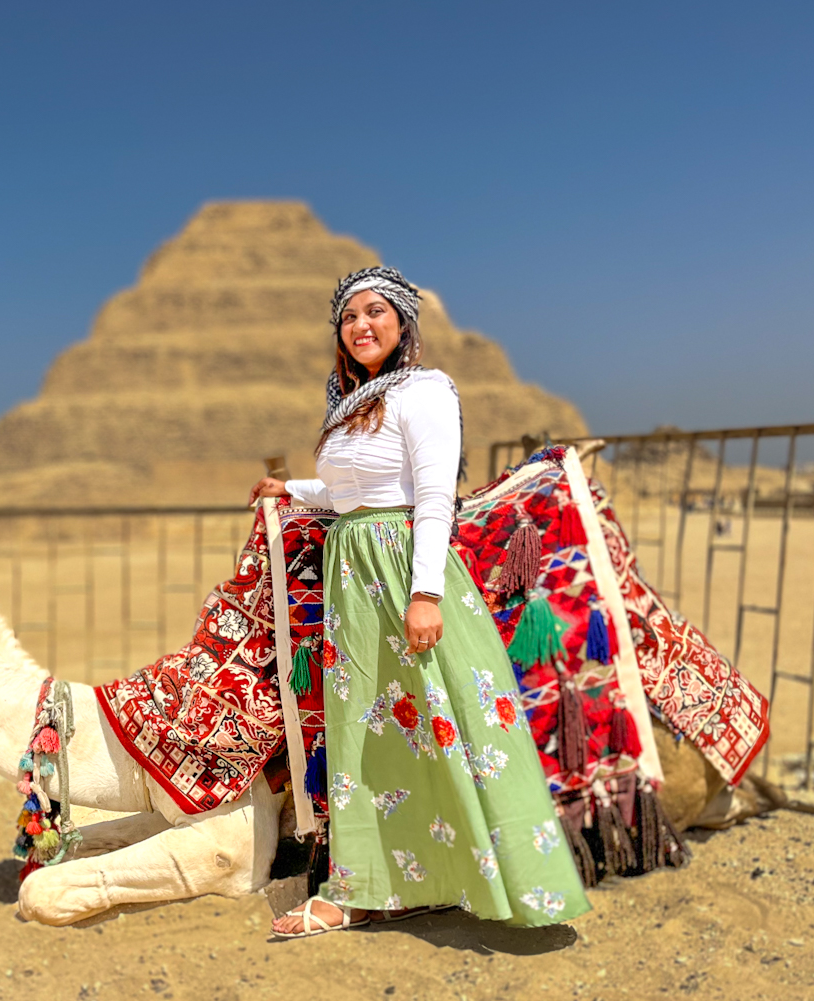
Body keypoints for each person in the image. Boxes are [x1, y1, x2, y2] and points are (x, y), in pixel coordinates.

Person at [250, 266, 591, 937]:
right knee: (366, 738)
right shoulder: (350, 402)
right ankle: (367, 886)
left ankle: (497, 879)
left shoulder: (426, 389)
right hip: (353, 576)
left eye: (376, 312)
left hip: (404, 568)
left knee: (446, 723)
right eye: (349, 317)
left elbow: (431, 496)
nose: (361, 326)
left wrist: (425, 593)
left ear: (404, 321)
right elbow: (350, 491)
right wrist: (289, 489)